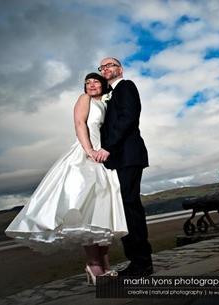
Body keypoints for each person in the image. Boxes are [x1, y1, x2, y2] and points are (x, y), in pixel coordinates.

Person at [5, 73, 128, 285]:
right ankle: (93, 264)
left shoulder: (107, 102)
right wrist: (88, 150)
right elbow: (80, 124)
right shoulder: (84, 99)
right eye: (87, 82)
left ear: (103, 84)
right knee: (84, 210)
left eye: (95, 81)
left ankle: (105, 263)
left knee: (101, 211)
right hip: (86, 154)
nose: (90, 85)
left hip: (103, 156)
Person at [87, 57, 153, 276]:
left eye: (110, 65)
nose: (106, 69)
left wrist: (107, 147)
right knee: (124, 208)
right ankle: (137, 261)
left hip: (128, 156)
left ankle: (142, 263)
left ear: (120, 69)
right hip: (117, 160)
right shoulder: (108, 96)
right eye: (102, 67)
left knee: (129, 205)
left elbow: (128, 118)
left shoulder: (126, 86)